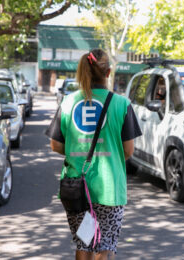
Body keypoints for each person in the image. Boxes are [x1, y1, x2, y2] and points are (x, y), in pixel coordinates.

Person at [46, 49, 142, 260]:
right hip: (109, 189)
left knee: (84, 242)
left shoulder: (68, 102)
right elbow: (128, 150)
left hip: (76, 187)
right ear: (108, 73)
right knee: (103, 246)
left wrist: (76, 150)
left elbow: (55, 144)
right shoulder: (121, 104)